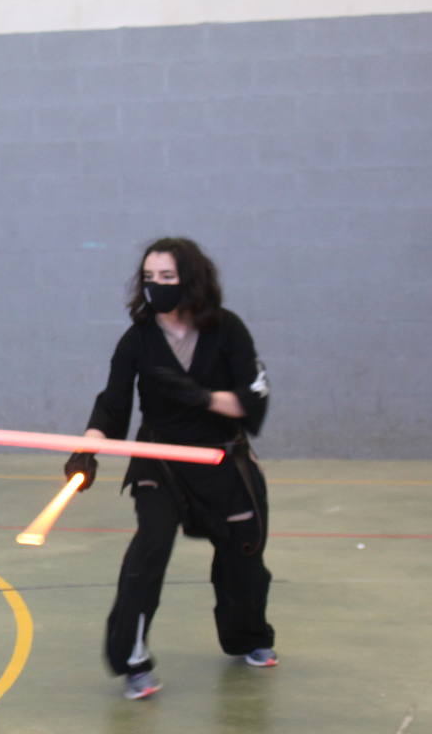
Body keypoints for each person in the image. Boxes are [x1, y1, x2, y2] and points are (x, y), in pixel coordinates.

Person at [65, 237, 275, 701]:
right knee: (150, 547)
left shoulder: (226, 330)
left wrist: (200, 397)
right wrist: (88, 449)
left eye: (167, 278)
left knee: (244, 556)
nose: (156, 286)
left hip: (222, 459)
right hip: (160, 460)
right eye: (148, 278)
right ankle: (132, 660)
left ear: (191, 280)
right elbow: (112, 404)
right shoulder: (138, 338)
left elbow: (250, 400)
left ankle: (249, 636)